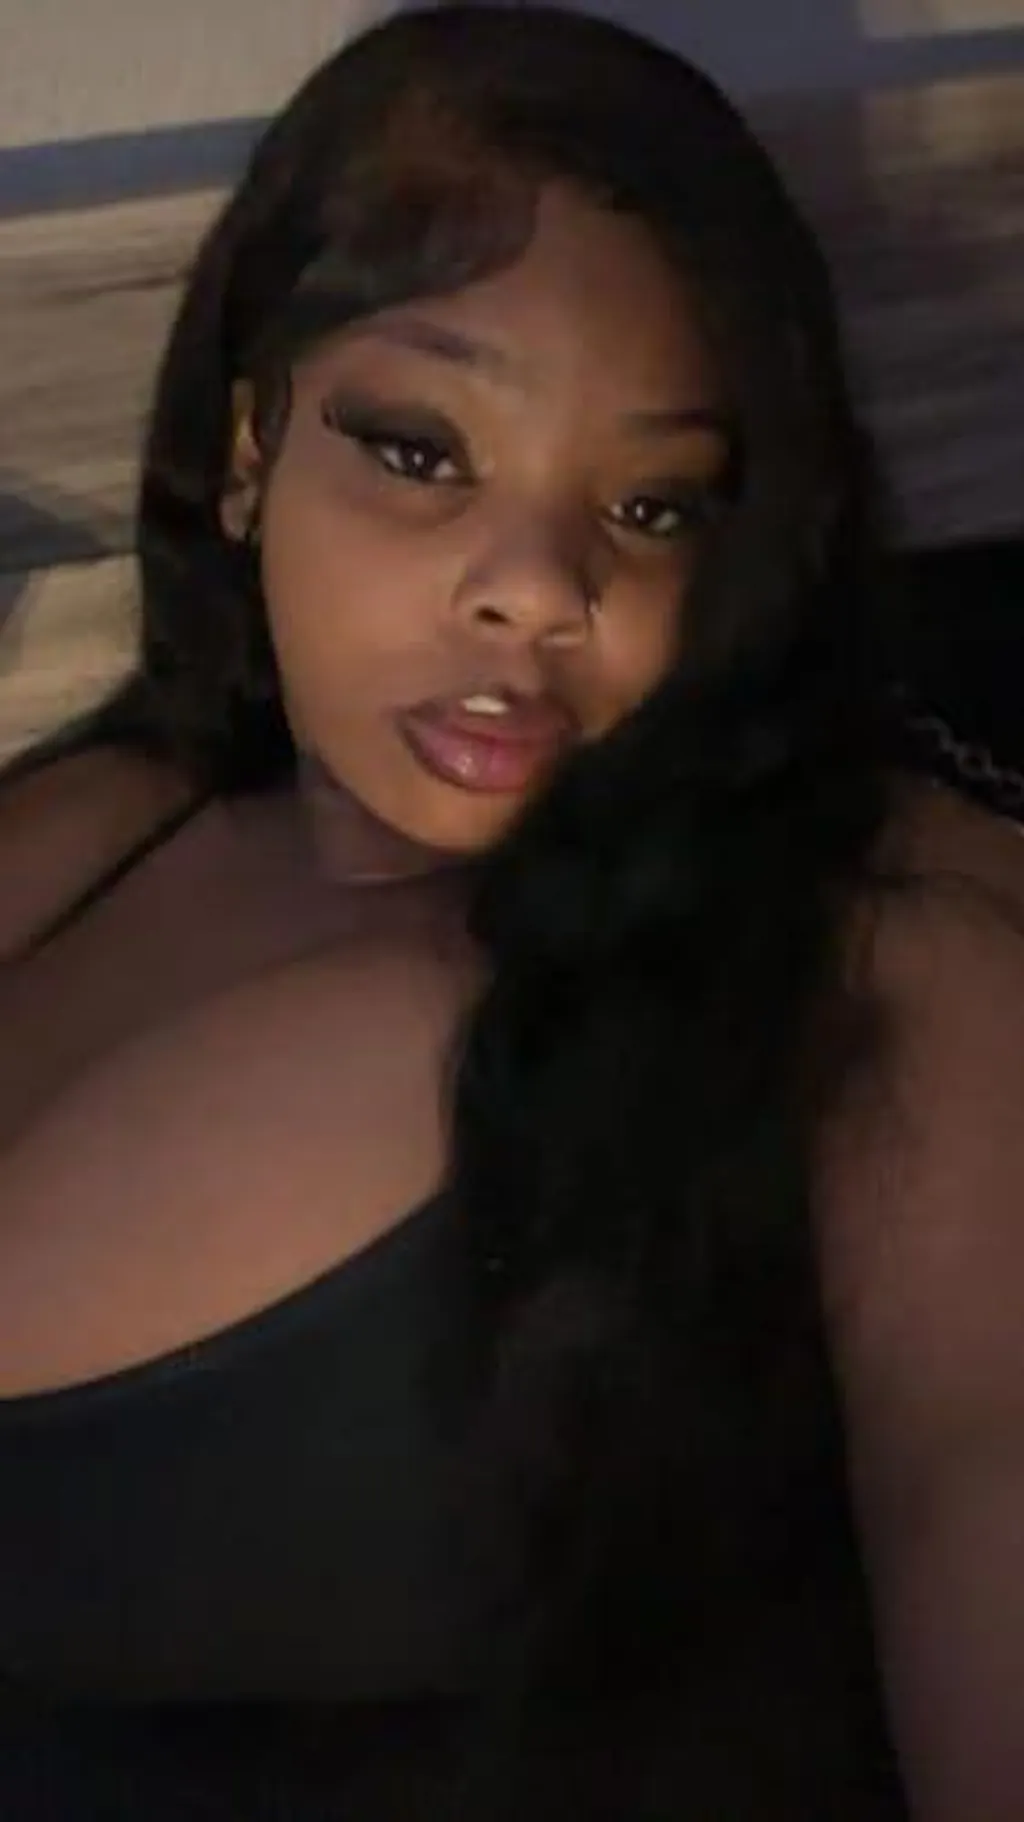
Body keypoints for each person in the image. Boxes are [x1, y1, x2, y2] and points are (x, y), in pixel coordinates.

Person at [0, 5, 1022, 1817]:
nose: (540, 586)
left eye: (653, 503)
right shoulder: (121, 819)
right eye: (421, 450)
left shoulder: (878, 919)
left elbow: (986, 1464)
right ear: (250, 449)